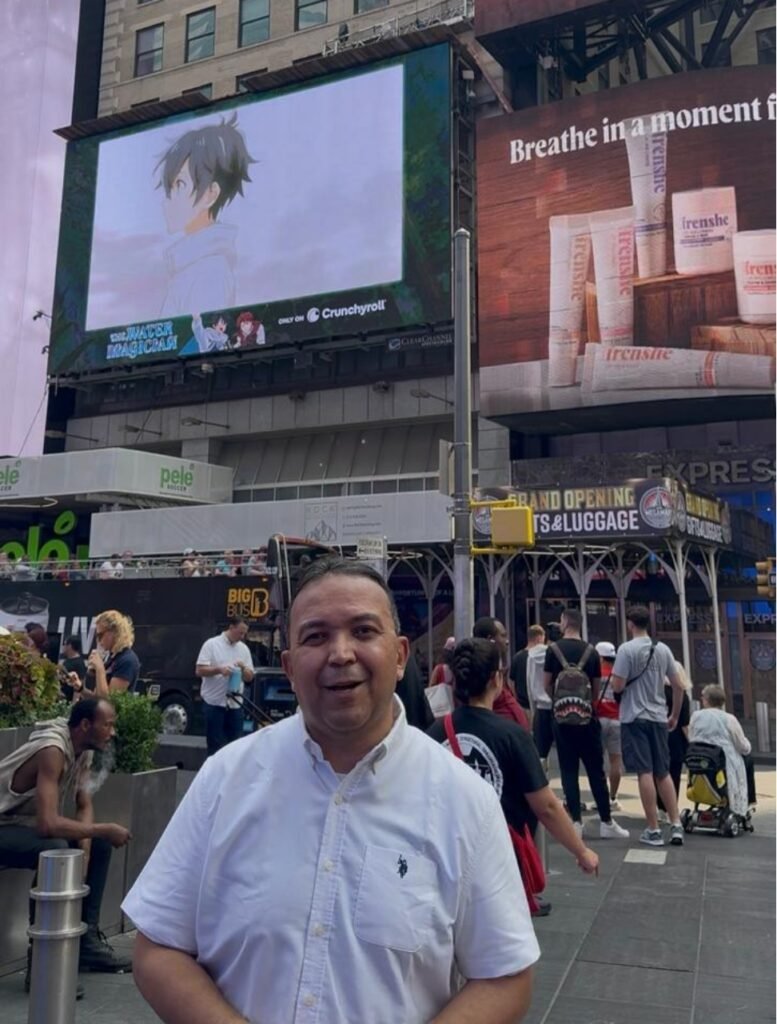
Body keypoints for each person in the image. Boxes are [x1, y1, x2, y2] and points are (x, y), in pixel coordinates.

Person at [124, 558, 540, 1024]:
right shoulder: (226, 778)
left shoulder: (465, 799)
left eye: (363, 631)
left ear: (400, 655)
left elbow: (505, 977)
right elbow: (158, 947)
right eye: (316, 636)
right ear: (288, 666)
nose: (341, 654)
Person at [428, 638, 599, 909]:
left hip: (445, 858)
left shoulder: (434, 733)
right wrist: (581, 851)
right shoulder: (512, 736)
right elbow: (547, 807)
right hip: (499, 862)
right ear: (496, 679)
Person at [0, 698, 133, 985]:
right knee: (56, 850)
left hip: (20, 826)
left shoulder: (83, 750)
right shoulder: (53, 750)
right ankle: (41, 962)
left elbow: (84, 804)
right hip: (4, 825)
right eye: (108, 725)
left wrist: (85, 852)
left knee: (98, 844)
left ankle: (86, 943)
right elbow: (48, 824)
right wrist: (102, 829)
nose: (112, 733)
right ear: (85, 725)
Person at [157, 114, 255, 318]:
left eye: (180, 184)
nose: (169, 198)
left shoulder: (209, 271)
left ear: (211, 193)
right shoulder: (191, 265)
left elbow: (204, 336)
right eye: (170, 186)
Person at [543, 610, 629, 840]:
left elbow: (546, 684)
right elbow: (596, 689)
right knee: (595, 771)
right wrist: (585, 705)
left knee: (568, 770)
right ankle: (606, 821)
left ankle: (576, 822)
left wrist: (560, 702)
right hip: (587, 720)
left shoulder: (553, 650)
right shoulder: (591, 652)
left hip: (561, 720)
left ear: (564, 622)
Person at [610, 606, 685, 847]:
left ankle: (653, 828)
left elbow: (618, 686)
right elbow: (679, 685)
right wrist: (674, 715)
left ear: (630, 623)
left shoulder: (626, 650)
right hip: (658, 716)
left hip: (634, 716)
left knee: (645, 771)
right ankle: (676, 823)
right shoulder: (663, 649)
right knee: (663, 772)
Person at [689, 684, 754, 817]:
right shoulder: (729, 719)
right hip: (723, 761)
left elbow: (691, 737)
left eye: (703, 697)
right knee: (748, 760)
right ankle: (748, 801)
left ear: (707, 699)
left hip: (700, 759)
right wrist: (748, 745)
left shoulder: (696, 716)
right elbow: (742, 746)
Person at [195, 616, 255, 757]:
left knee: (235, 746)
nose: (242, 636)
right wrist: (219, 670)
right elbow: (199, 670)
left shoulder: (244, 649)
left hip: (235, 703)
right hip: (214, 703)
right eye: (240, 632)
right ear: (231, 627)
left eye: (244, 633)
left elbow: (250, 677)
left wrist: (243, 668)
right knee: (214, 746)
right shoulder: (211, 644)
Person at [473, 617, 530, 732]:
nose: (507, 641)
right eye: (503, 636)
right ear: (490, 639)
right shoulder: (482, 675)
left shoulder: (500, 670)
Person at [658, 662, 692, 818]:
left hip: (658, 736)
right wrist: (691, 742)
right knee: (674, 774)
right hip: (675, 738)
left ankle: (659, 807)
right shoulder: (682, 695)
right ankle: (670, 808)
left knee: (657, 772)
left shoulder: (657, 692)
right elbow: (684, 723)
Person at [595, 641, 623, 811]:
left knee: (598, 762)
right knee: (615, 761)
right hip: (617, 720)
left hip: (599, 719)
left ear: (600, 657)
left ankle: (601, 798)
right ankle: (613, 797)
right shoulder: (619, 674)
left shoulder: (596, 673)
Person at [87, 610, 141, 697]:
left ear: (114, 632)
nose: (98, 641)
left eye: (100, 635)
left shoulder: (127, 661)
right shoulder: (112, 658)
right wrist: (80, 688)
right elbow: (96, 697)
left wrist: (100, 668)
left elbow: (110, 701)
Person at [509, 626, 545, 716]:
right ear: (539, 638)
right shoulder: (543, 657)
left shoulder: (517, 657)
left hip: (522, 706)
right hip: (540, 706)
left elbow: (511, 682)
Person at [60, 634, 88, 702]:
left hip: (69, 700)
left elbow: (80, 683)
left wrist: (74, 703)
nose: (63, 647)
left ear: (69, 646)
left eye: (64, 644)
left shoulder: (79, 663)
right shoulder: (67, 660)